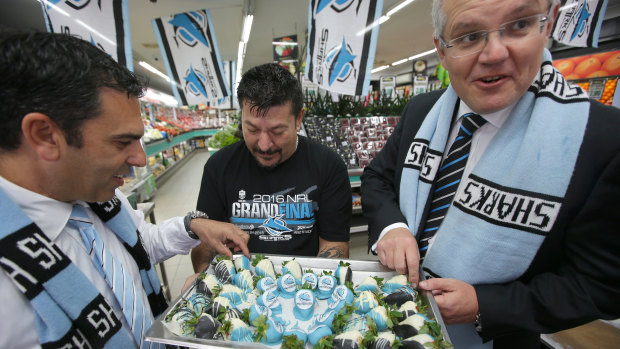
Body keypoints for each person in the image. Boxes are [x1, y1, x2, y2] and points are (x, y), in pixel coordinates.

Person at [361, 0, 620, 347]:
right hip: (395, 318)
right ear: (441, 50)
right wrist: (393, 227)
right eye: (469, 36)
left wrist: (486, 305)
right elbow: (378, 177)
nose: (495, 53)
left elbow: (601, 284)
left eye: (519, 25)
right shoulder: (422, 112)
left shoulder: (599, 141)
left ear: (547, 24)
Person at [0, 30, 249, 349]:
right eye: (121, 142)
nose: (140, 158)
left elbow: (136, 244)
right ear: (45, 135)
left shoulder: (97, 198)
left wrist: (193, 226)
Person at [191, 63, 352, 272]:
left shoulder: (329, 166)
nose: (264, 145)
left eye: (277, 131)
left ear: (298, 119)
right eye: (252, 129)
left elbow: (335, 245)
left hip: (305, 288)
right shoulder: (218, 167)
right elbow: (202, 248)